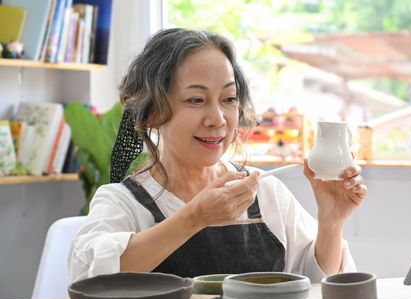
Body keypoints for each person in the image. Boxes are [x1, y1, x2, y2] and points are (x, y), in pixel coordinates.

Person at [69, 28, 367, 283]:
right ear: (152, 112)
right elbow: (91, 281)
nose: (218, 119)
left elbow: (315, 285)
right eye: (196, 100)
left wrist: (330, 221)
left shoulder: (266, 194)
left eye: (229, 99)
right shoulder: (123, 203)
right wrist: (195, 217)